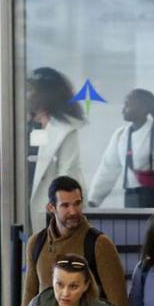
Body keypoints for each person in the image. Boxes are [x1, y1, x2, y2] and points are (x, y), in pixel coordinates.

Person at [19, 176, 129, 306]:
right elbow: (29, 296)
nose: (73, 211)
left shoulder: (99, 244)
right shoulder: (36, 243)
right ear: (51, 207)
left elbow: (119, 305)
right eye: (65, 205)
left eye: (77, 203)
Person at [28, 67, 87, 233]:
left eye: (32, 90)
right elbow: (35, 157)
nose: (27, 95)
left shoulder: (64, 130)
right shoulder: (35, 125)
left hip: (52, 213)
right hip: (26, 205)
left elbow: (68, 174)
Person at [89, 89, 154, 208]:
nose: (123, 110)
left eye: (128, 105)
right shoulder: (120, 135)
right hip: (130, 196)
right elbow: (108, 169)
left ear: (144, 108)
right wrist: (93, 200)